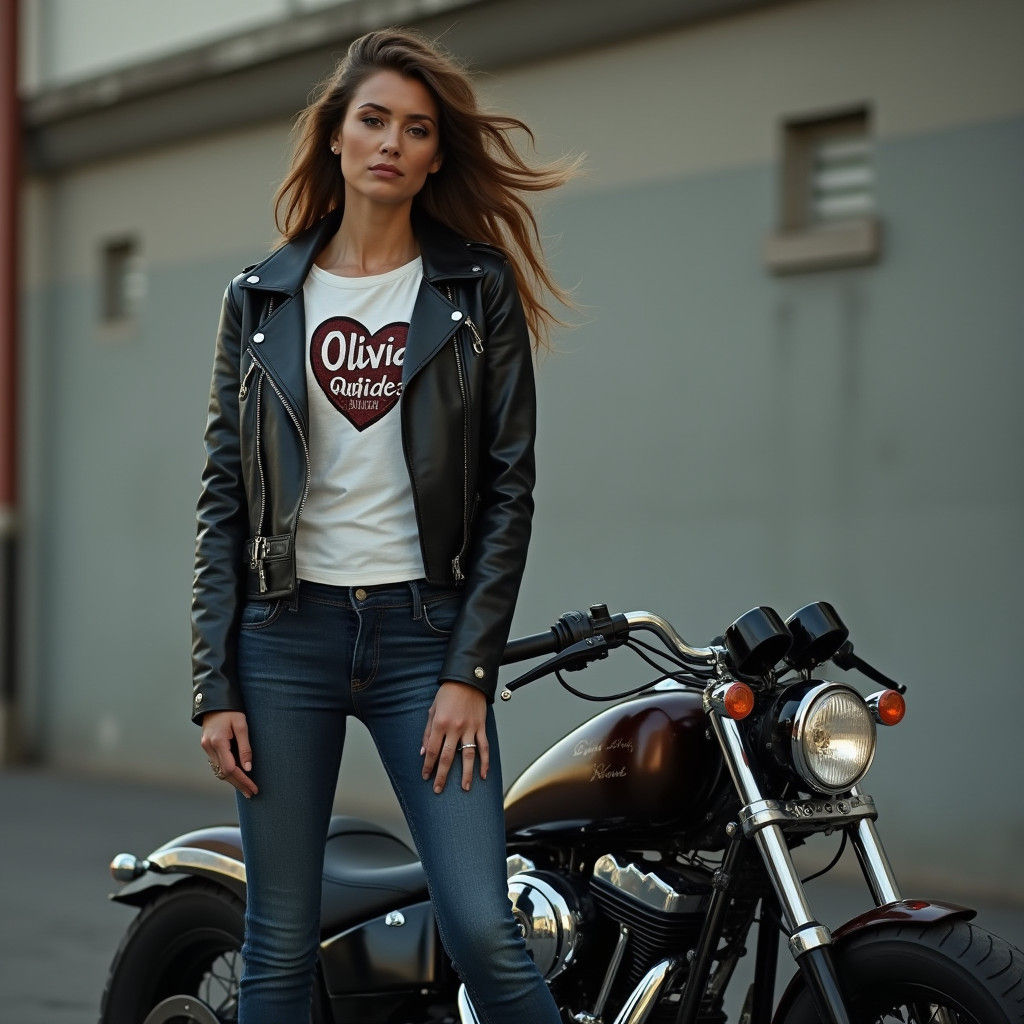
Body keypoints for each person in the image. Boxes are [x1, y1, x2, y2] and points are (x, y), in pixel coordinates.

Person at [190, 26, 579, 1024]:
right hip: (284, 641)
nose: (391, 144)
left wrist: (468, 670)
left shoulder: (473, 290)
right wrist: (213, 683)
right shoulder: (261, 299)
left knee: (484, 929)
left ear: (436, 155)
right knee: (277, 944)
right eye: (373, 120)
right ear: (335, 133)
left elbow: (509, 489)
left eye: (416, 129)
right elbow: (226, 495)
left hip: (424, 642)